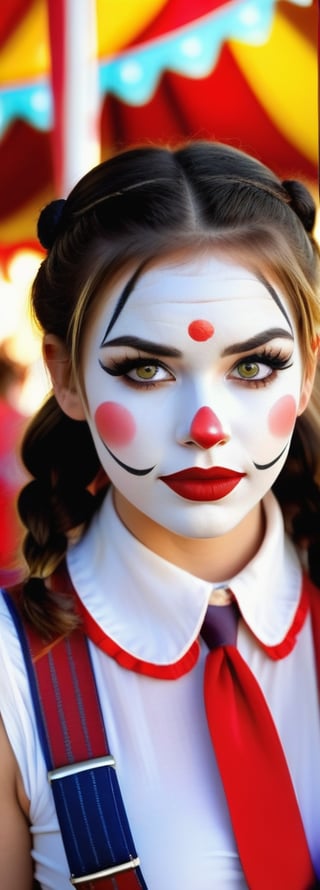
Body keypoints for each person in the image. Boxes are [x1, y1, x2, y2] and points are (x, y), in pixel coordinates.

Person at [0, 140, 319, 890]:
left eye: (254, 366)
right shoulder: (9, 674)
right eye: (145, 369)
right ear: (65, 377)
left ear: (307, 365)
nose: (205, 427)